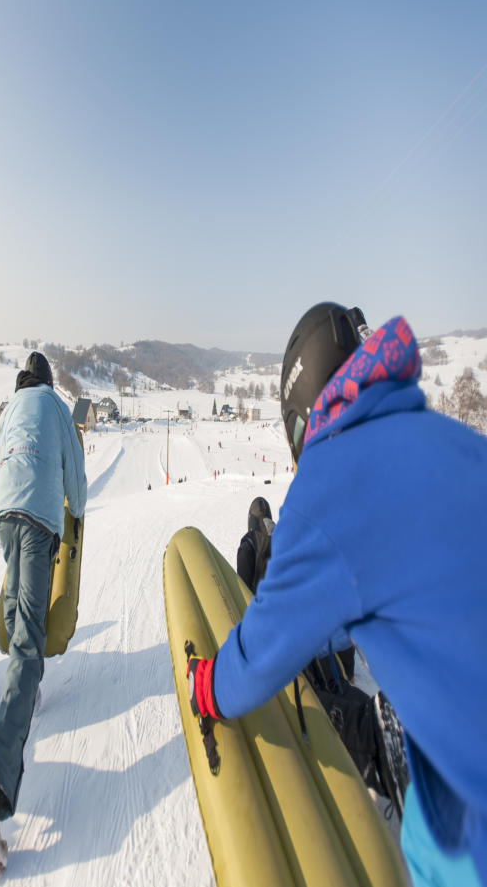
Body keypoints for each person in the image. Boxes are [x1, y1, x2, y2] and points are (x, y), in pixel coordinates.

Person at [187, 303, 487, 887]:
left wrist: (207, 685)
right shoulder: (450, 437)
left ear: (300, 415)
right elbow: (404, 584)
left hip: (470, 802)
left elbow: (254, 662)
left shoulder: (329, 482)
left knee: (430, 836)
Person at [0, 351, 87, 876]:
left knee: (18, 623)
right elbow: (74, 475)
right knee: (31, 646)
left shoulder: (10, 408)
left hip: (4, 518)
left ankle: (26, 695)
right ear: (50, 381)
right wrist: (75, 519)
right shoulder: (56, 407)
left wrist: (4, 515)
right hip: (37, 523)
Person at [237, 496, 408, 815]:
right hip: (327, 641)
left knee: (315, 703)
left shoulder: (249, 544)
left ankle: (338, 755)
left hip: (287, 633)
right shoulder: (287, 539)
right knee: (338, 689)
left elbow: (246, 589)